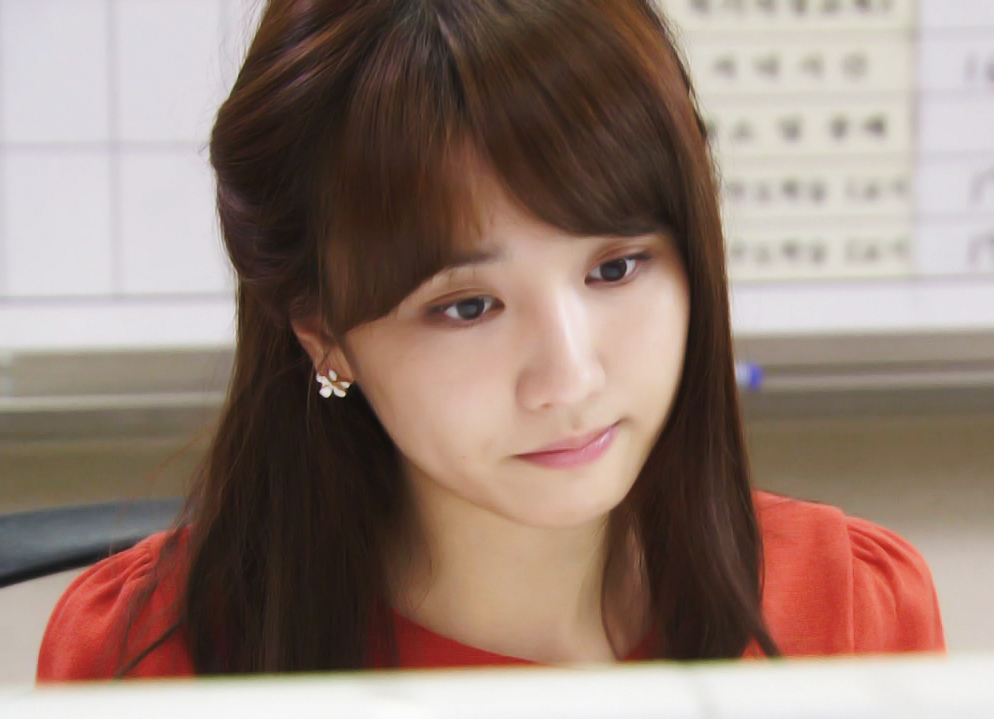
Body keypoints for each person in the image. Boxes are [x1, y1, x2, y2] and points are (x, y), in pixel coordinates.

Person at [37, 0, 943, 680]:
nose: (569, 376)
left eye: (616, 267)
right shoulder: (147, 661)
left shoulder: (849, 614)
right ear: (323, 330)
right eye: (468, 307)